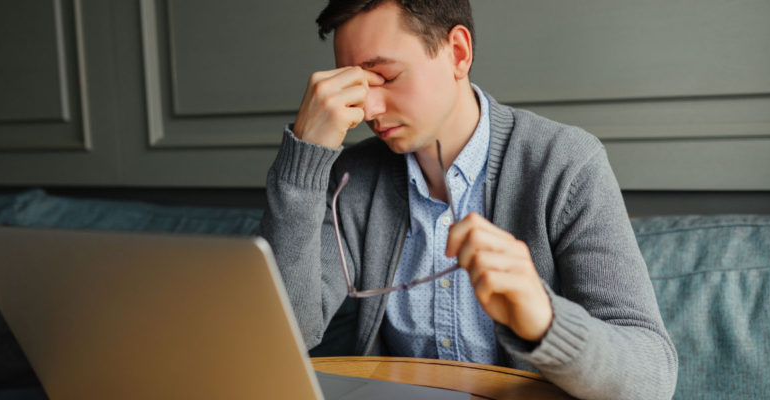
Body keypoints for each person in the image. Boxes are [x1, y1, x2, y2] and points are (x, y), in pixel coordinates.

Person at [259, 1, 678, 398]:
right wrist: (305, 157)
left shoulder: (565, 164)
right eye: (353, 84)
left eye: (383, 76)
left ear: (458, 53)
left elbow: (652, 376)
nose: (367, 108)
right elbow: (284, 335)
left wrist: (545, 322)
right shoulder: (351, 178)